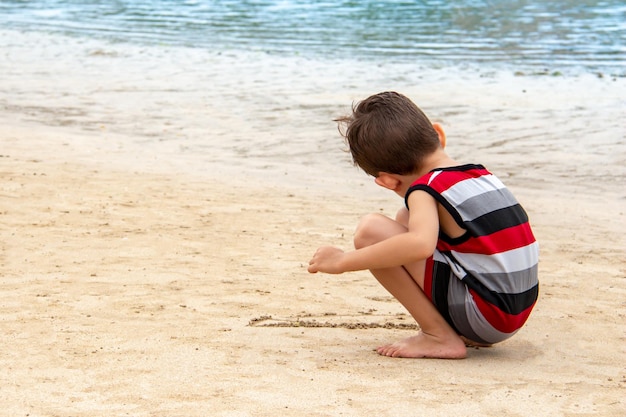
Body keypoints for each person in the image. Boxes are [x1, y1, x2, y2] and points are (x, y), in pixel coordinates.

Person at [307, 92, 539, 359]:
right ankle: (454, 328)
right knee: (406, 217)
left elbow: (419, 245)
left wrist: (342, 262)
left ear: (387, 181)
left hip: (488, 318)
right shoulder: (479, 174)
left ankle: (437, 335)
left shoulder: (426, 188)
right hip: (513, 311)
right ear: (438, 134)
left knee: (371, 231)